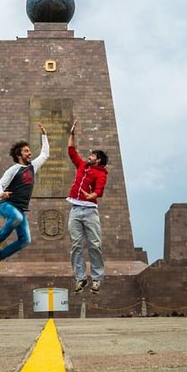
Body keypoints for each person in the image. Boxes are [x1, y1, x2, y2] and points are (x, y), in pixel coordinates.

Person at [0, 123, 49, 276]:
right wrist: (1, 194)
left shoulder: (33, 166)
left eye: (29, 150)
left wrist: (44, 135)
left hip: (20, 209)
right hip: (6, 205)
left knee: (25, 240)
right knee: (16, 217)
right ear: (19, 155)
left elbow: (45, 154)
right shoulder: (13, 169)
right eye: (26, 151)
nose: (30, 153)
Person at [66, 119, 108, 294]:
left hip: (90, 211)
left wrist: (92, 195)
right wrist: (72, 133)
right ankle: (81, 278)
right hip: (75, 210)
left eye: (92, 155)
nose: (88, 156)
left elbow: (99, 190)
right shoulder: (82, 165)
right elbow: (71, 151)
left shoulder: (101, 174)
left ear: (98, 160)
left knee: (94, 245)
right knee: (76, 245)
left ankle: (96, 278)